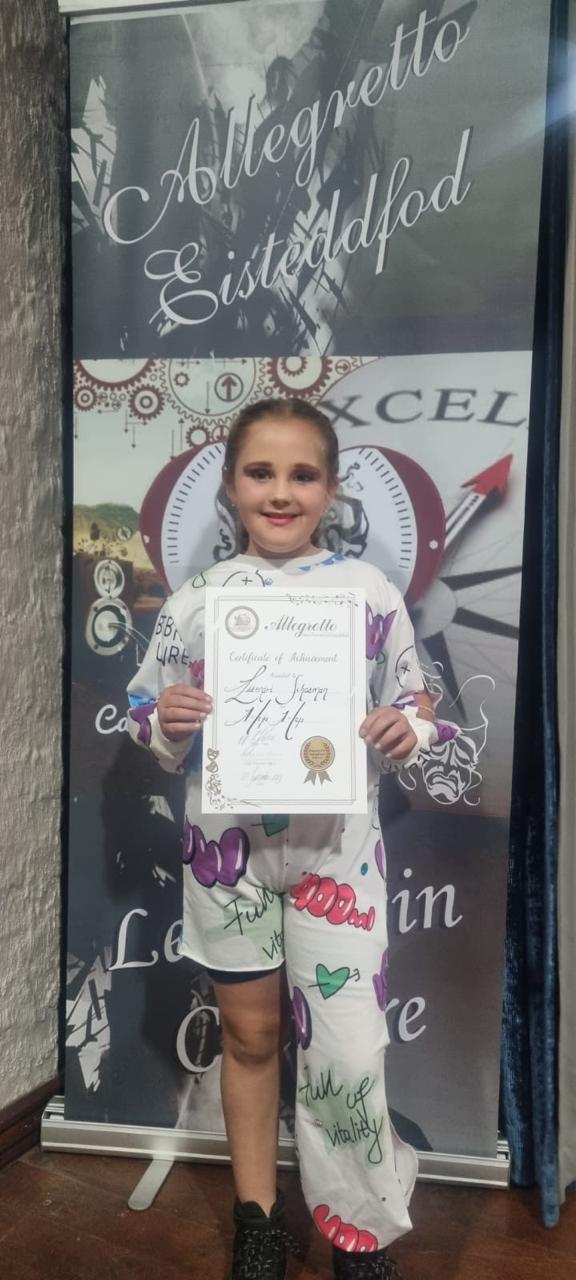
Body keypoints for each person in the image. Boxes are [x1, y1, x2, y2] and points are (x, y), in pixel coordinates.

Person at [126, 398, 438, 1280]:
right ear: (231, 486)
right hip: (226, 857)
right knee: (252, 1040)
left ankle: (358, 1227)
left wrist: (407, 728)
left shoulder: (369, 593)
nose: (280, 492)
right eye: (260, 472)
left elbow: (419, 704)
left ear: (331, 489)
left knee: (347, 1051)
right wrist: (167, 722)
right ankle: (259, 1218)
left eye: (303, 474)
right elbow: (145, 711)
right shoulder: (197, 602)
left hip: (339, 854)